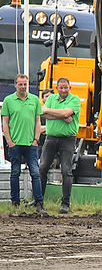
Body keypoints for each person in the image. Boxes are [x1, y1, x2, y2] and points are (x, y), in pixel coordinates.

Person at [1, 74, 46, 214]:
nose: (23, 87)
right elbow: (5, 123)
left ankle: (39, 203)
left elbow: (38, 121)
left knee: (36, 173)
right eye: (20, 84)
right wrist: (9, 141)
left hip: (31, 144)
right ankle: (15, 202)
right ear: (15, 85)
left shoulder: (34, 100)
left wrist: (36, 139)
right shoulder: (8, 101)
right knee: (15, 172)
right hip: (15, 143)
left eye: (25, 84)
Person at [39, 77, 81, 214]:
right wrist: (62, 115)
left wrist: (58, 113)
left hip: (68, 139)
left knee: (66, 171)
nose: (63, 90)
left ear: (70, 88)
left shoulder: (74, 100)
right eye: (61, 88)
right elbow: (43, 112)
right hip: (50, 138)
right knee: (42, 168)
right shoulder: (51, 98)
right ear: (57, 88)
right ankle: (38, 201)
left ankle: (65, 203)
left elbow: (64, 113)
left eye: (66, 87)